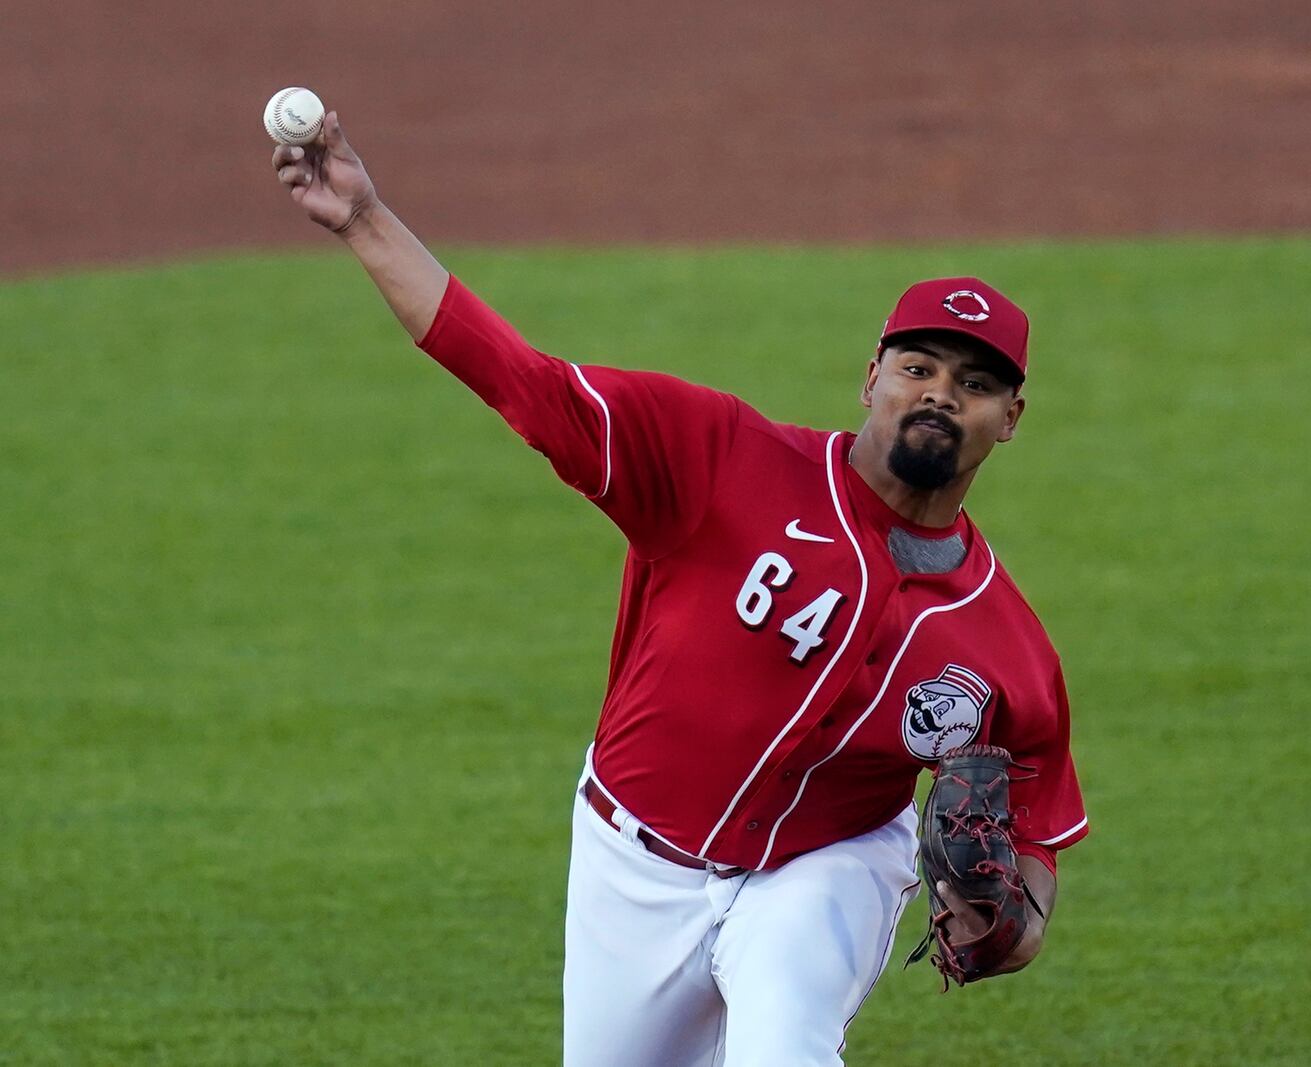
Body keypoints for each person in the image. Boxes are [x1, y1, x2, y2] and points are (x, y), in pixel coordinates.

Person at [271, 111, 1089, 1067]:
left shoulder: (1007, 648)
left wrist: (1008, 927)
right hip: (632, 860)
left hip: (824, 870)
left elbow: (1036, 841)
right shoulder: (713, 456)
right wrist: (364, 217)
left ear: (1011, 418)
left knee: (783, 1051)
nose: (942, 393)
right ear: (871, 377)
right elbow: (521, 379)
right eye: (918, 367)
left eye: (976, 382)